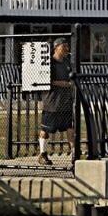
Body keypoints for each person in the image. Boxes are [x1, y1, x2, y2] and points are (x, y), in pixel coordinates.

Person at [37, 37, 75, 165]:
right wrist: (62, 83)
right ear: (56, 47)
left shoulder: (67, 62)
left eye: (67, 46)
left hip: (65, 101)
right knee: (46, 130)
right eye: (64, 46)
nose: (66, 49)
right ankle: (42, 154)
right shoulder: (49, 63)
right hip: (51, 102)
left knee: (70, 127)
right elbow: (45, 80)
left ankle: (74, 152)